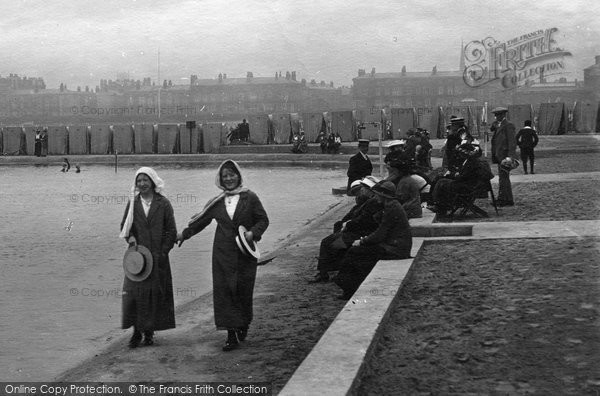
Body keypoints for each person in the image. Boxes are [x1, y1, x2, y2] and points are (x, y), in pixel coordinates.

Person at [177, 160, 269, 351]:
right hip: (222, 253)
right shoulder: (217, 202)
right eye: (224, 175)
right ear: (220, 178)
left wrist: (253, 233)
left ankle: (243, 323)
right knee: (225, 292)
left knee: (243, 290)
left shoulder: (249, 197)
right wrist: (184, 235)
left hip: (245, 253)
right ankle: (231, 334)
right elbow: (201, 221)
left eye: (232, 174)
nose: (228, 179)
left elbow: (263, 219)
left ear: (239, 176)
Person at [119, 167, 177, 348]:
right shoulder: (133, 203)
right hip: (137, 259)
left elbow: (171, 231)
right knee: (134, 295)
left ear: (153, 182)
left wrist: (163, 252)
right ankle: (136, 332)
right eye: (139, 181)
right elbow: (124, 227)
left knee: (153, 295)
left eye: (145, 180)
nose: (142, 184)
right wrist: (131, 238)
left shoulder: (163, 203)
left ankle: (149, 332)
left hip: (158, 258)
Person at [334, 181, 412, 300]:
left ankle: (348, 287)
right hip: (396, 245)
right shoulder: (392, 205)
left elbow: (380, 234)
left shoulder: (391, 207)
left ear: (382, 195)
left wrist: (362, 241)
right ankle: (349, 287)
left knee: (354, 252)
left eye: (377, 194)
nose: (375, 197)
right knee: (359, 254)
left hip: (395, 248)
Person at [309, 176, 381, 283]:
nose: (362, 189)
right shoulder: (369, 201)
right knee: (333, 240)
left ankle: (323, 273)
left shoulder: (372, 203)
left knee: (327, 243)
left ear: (370, 190)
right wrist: (344, 224)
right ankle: (329, 269)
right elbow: (357, 217)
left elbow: (362, 221)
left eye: (364, 188)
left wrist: (347, 225)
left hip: (360, 234)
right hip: (357, 231)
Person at [428, 142, 493, 215]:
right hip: (470, 185)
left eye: (462, 153)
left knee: (441, 182)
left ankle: (439, 206)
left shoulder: (472, 162)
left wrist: (452, 175)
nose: (460, 155)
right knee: (441, 179)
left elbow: (462, 177)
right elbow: (464, 175)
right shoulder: (473, 161)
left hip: (467, 187)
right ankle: (440, 205)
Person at [490, 107, 517, 206]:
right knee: (502, 178)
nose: (496, 117)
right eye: (495, 115)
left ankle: (506, 199)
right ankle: (503, 198)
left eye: (498, 115)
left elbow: (512, 142)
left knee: (504, 178)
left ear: (503, 115)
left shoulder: (508, 126)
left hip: (505, 156)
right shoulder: (499, 125)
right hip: (499, 156)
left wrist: (510, 156)